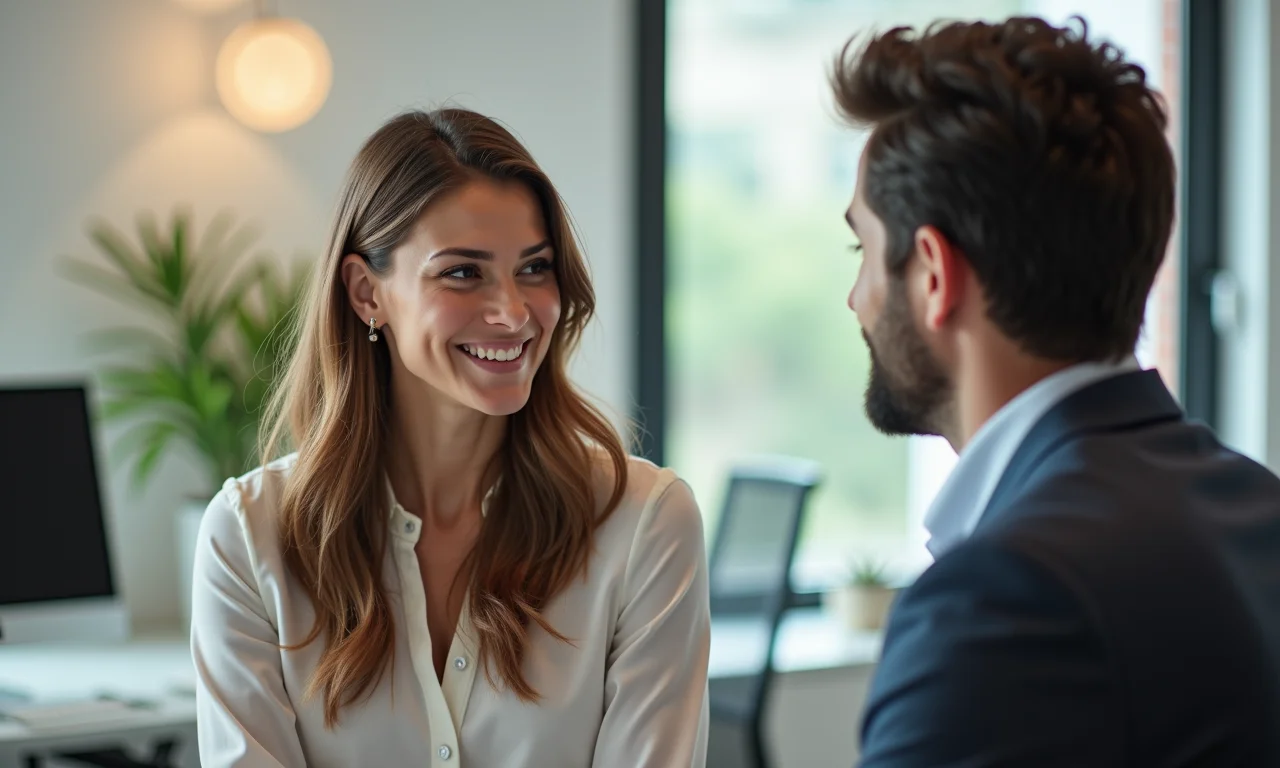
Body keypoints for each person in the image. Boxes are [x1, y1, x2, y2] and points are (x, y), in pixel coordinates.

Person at [190, 108, 710, 768]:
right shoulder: (250, 536)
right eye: (463, 272)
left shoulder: (643, 525)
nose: (513, 313)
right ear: (365, 292)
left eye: (535, 268)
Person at [831, 16, 1280, 766]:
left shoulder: (1000, 598)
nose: (856, 298)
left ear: (934, 277)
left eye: (863, 251)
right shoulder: (1257, 508)